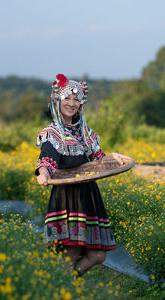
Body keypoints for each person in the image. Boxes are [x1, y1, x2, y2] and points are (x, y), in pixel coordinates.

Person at [35, 74, 125, 275]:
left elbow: (98, 159)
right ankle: (61, 291)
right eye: (67, 98)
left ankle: (61, 287)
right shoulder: (53, 133)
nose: (72, 103)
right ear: (57, 101)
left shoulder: (85, 133)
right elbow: (47, 159)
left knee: (97, 255)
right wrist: (43, 174)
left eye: (76, 99)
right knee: (73, 248)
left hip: (89, 195)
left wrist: (113, 156)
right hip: (68, 197)